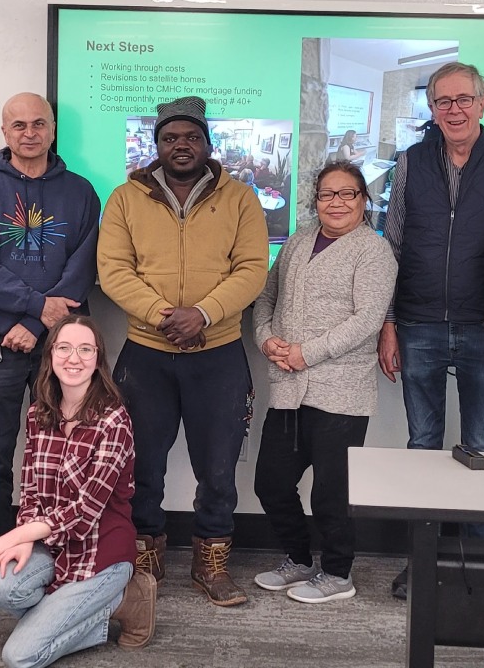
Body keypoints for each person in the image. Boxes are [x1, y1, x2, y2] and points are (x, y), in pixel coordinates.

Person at [98, 95, 269, 607]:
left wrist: (205, 314)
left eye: (191, 137)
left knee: (217, 467)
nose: (181, 145)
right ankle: (144, 562)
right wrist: (164, 316)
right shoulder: (125, 199)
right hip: (146, 355)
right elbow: (114, 270)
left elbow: (253, 269)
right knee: (142, 465)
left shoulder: (241, 198)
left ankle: (210, 565)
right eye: (170, 138)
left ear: (207, 144)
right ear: (156, 146)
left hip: (218, 354)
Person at [378, 61, 484, 599]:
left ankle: (478, 562)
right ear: (432, 108)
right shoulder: (410, 162)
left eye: (463, 99)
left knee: (481, 443)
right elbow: (392, 244)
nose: (453, 110)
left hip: (483, 323)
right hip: (418, 320)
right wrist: (390, 321)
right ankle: (422, 562)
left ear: (482, 104)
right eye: (442, 101)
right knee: (422, 442)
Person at [0, 92, 100, 543]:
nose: (30, 133)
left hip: (62, 343)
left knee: (63, 451)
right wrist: (35, 307)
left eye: (39, 124)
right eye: (19, 125)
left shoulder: (81, 192)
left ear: (52, 130)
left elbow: (83, 267)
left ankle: (56, 550)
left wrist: (37, 322)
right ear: (5, 132)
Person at [0, 314, 156, 668]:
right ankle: (84, 608)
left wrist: (13, 535)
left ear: (98, 359)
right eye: (65, 348)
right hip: (51, 546)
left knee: (20, 655)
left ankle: (125, 599)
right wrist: (25, 538)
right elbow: (29, 489)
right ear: (50, 355)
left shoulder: (114, 420)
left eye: (85, 349)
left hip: (101, 551)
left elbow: (86, 511)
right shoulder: (40, 412)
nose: (74, 358)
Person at [251, 161, 396, 603]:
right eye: (326, 194)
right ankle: (298, 560)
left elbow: (368, 320)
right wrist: (265, 338)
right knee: (271, 483)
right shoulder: (297, 241)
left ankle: (337, 575)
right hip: (289, 388)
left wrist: (305, 352)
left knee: (331, 493)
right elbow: (267, 296)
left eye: (347, 194)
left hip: (341, 391)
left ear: (363, 200)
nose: (336, 203)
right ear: (315, 200)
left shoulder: (373, 251)